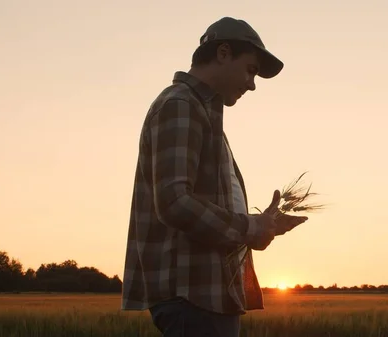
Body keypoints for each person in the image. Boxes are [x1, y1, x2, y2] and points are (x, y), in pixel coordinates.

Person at [121, 17, 308, 337]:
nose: (252, 84)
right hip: (193, 297)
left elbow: (195, 204)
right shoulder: (180, 104)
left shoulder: (200, 112)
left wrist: (262, 226)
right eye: (250, 69)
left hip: (207, 296)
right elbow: (174, 201)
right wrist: (250, 227)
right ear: (223, 53)